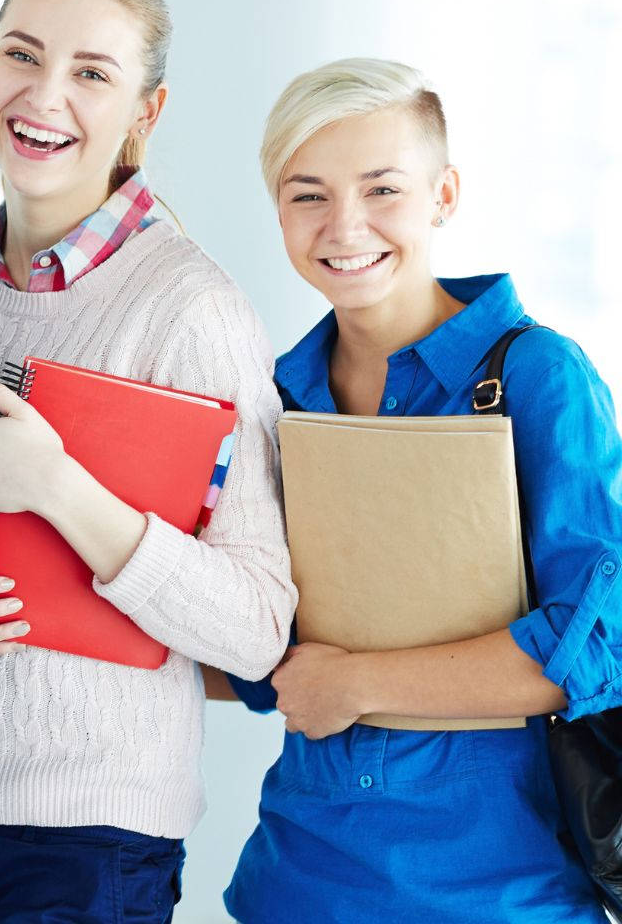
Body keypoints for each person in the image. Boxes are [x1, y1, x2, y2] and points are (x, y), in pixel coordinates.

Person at [0, 0, 294, 923]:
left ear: (143, 115)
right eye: (22, 56)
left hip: (82, 849)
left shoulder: (192, 310)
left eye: (93, 73)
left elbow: (254, 627)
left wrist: (57, 488)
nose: (45, 94)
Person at [220, 57, 620, 922]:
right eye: (308, 193)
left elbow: (596, 648)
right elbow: (265, 660)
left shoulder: (538, 377)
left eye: (382, 189)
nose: (344, 224)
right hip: (298, 885)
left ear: (444, 196)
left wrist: (359, 682)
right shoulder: (274, 398)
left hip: (502, 894)